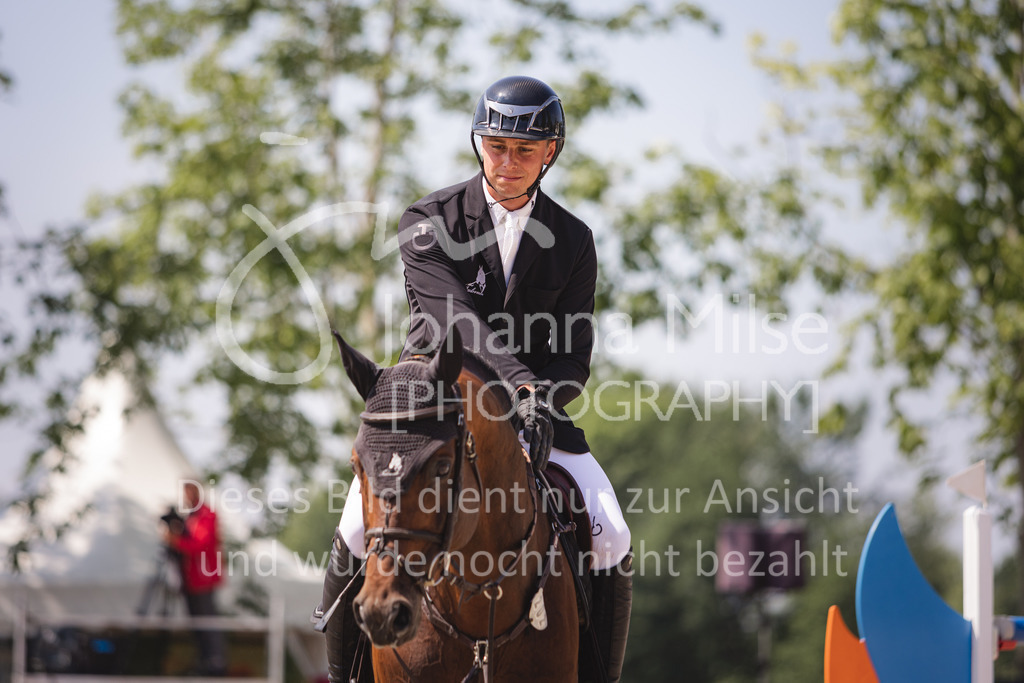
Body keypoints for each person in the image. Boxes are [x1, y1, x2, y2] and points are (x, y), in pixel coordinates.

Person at [317, 75, 632, 683]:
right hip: (430, 406)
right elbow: (457, 323)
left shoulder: (574, 240)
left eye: (524, 150)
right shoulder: (427, 220)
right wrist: (522, 386)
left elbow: (573, 357)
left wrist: (542, 401)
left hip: (534, 419)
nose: (507, 162)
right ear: (477, 144)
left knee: (612, 534)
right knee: (356, 528)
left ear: (550, 152)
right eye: (496, 146)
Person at [164, 480, 227, 676]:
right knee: (197, 623)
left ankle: (215, 662)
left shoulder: (207, 515)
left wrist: (176, 541)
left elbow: (201, 544)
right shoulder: (191, 517)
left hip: (203, 579)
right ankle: (204, 660)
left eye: (189, 493)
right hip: (190, 579)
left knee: (206, 622)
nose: (186, 497)